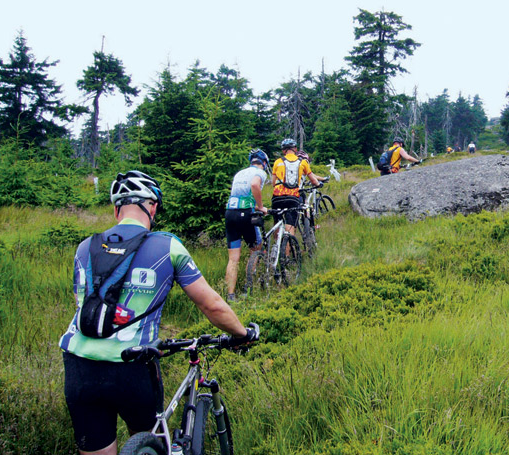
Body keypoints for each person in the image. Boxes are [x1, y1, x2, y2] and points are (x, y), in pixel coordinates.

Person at [59, 170, 255, 455]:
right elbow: (211, 304)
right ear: (151, 207)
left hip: (79, 365)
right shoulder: (166, 246)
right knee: (149, 444)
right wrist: (242, 333)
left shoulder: (84, 247)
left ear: (116, 210)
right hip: (133, 366)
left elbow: (82, 302)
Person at [225, 149, 270, 301]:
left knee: (233, 259)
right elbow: (255, 185)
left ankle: (230, 295)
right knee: (256, 248)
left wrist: (257, 206)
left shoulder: (239, 173)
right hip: (245, 214)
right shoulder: (260, 173)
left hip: (230, 212)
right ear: (264, 163)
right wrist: (261, 207)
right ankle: (248, 288)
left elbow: (240, 198)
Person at [271, 138, 325, 237]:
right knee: (290, 226)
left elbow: (273, 183)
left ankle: (276, 244)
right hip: (292, 197)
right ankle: (287, 246)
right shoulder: (303, 162)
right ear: (295, 149)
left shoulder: (277, 162)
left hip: (277, 197)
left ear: (283, 150)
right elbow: (313, 180)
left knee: (277, 223)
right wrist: (318, 184)